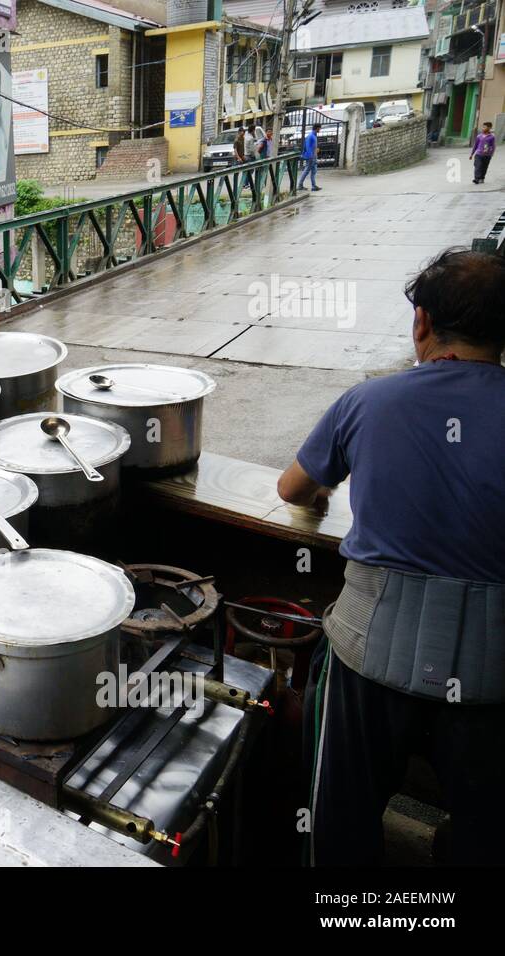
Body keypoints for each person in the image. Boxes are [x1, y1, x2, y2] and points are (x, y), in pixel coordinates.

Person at [277, 249, 505, 865]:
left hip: (368, 660)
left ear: (422, 323)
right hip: (490, 681)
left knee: (339, 827)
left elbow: (292, 489)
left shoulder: (369, 402)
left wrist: (330, 483)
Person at [297, 123, 321, 191]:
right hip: (311, 157)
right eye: (319, 128)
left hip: (313, 156)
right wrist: (311, 156)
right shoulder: (311, 136)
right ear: (317, 128)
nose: (320, 130)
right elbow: (307, 147)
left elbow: (311, 146)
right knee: (306, 171)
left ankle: (314, 186)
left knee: (314, 171)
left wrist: (316, 150)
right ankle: (300, 185)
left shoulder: (313, 136)